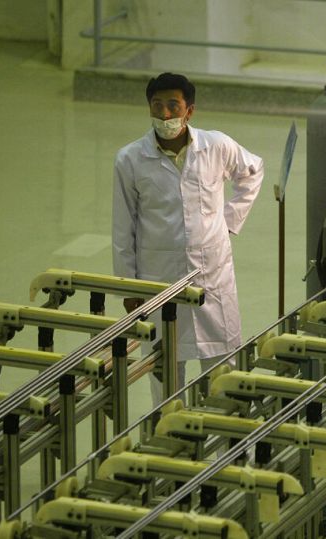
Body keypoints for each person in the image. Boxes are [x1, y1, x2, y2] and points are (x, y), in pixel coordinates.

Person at [112, 72, 264, 404]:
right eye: (157, 105)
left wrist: (227, 223)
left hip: (213, 278)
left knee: (224, 371)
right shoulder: (130, 159)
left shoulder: (216, 146)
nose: (164, 114)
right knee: (165, 372)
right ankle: (169, 442)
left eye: (172, 105)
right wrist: (128, 287)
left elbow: (253, 171)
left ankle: (231, 447)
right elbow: (123, 229)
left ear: (189, 110)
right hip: (159, 281)